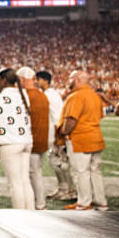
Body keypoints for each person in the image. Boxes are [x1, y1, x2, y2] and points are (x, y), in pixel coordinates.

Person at [59, 71, 108, 211]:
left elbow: (71, 119)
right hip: (96, 138)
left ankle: (84, 202)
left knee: (81, 172)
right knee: (95, 171)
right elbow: (100, 116)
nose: (68, 81)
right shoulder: (95, 96)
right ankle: (100, 202)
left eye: (70, 78)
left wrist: (64, 132)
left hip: (80, 139)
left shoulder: (76, 96)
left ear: (77, 79)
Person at [0, 68, 34, 210]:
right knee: (25, 181)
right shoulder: (23, 95)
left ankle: (20, 216)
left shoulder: (0, 98)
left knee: (15, 183)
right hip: (26, 141)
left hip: (10, 143)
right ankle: (31, 213)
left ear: (3, 80)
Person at [36, 71, 75, 200]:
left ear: (45, 80)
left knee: (59, 162)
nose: (37, 82)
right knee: (56, 162)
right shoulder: (47, 94)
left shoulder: (50, 95)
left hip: (54, 133)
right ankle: (63, 189)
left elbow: (57, 116)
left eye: (39, 79)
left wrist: (59, 136)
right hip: (51, 133)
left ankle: (70, 190)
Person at [17, 67, 49, 210]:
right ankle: (39, 203)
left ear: (23, 80)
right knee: (36, 172)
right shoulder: (42, 95)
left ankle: (39, 205)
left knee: (32, 174)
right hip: (42, 139)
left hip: (32, 140)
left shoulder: (26, 96)